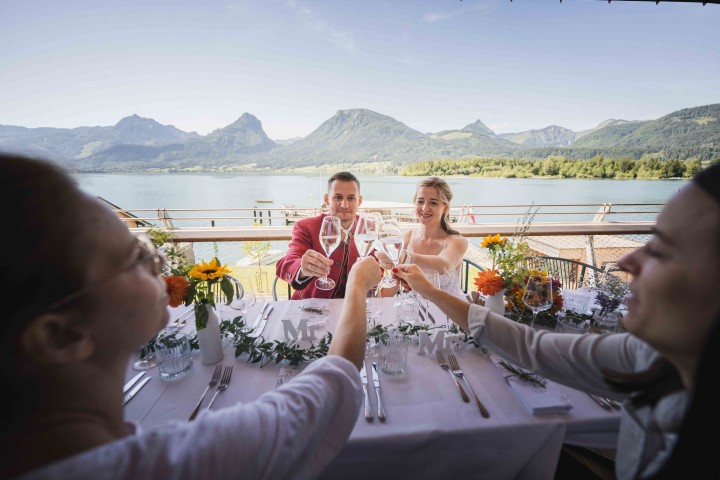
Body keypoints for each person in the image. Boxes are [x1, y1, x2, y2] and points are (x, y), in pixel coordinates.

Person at [0, 154, 383, 479]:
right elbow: (331, 390)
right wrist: (351, 285)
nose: (163, 262)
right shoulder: (196, 459)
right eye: (136, 257)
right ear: (58, 337)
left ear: (359, 201)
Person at [392, 163, 720, 480]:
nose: (627, 260)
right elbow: (531, 347)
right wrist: (425, 289)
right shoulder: (642, 357)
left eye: (662, 249)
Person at [375, 176, 468, 299]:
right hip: (416, 311)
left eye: (433, 202)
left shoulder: (457, 241)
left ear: (445, 208)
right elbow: (389, 290)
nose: (425, 208)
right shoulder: (408, 237)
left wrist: (406, 257)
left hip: (450, 313)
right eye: (420, 201)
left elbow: (443, 265)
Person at [276, 171, 363, 299]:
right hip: (310, 308)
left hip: (355, 310)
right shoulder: (306, 227)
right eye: (338, 197)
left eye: (351, 198)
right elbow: (286, 263)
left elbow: (378, 271)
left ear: (359, 201)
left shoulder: (369, 229)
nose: (344, 205)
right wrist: (302, 269)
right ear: (327, 199)